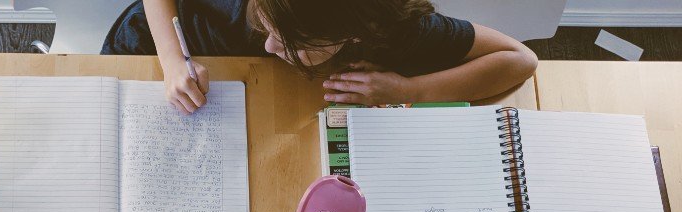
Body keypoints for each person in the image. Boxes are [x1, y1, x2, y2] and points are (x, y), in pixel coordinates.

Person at [102, 0, 538, 114]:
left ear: (350, 37)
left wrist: (411, 89)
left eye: (292, 46)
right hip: (159, 43)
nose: (270, 48)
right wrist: (174, 60)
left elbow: (520, 59)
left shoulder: (395, 29)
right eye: (264, 27)